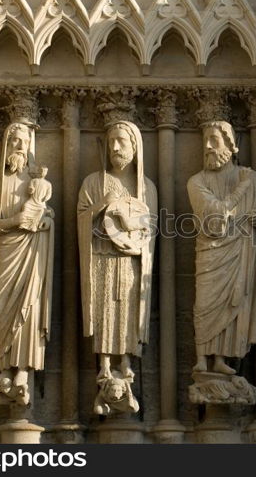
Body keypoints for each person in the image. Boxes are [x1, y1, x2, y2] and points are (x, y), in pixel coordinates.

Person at [187, 121, 256, 375]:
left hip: (241, 253)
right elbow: (215, 214)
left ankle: (221, 358)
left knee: (234, 301)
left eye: (214, 139)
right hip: (211, 251)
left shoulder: (251, 178)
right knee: (205, 303)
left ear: (230, 144)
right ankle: (202, 359)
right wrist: (242, 188)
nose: (207, 146)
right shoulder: (196, 182)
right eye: (205, 141)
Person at [77, 121, 157, 385]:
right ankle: (104, 363)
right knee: (104, 310)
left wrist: (132, 240)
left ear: (135, 146)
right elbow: (81, 220)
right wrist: (103, 204)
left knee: (127, 309)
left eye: (121, 141)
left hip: (130, 261)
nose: (114, 147)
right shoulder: (92, 182)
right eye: (111, 141)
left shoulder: (146, 187)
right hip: (101, 259)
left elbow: (150, 228)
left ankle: (126, 360)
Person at [0, 122, 54, 405]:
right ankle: (4, 367)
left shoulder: (38, 182)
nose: (18, 145)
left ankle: (23, 370)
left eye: (23, 141)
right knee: (1, 306)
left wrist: (44, 221)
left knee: (30, 307)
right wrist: (18, 220)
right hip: (7, 249)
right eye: (13, 140)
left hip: (32, 250)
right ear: (5, 144)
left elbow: (47, 215)